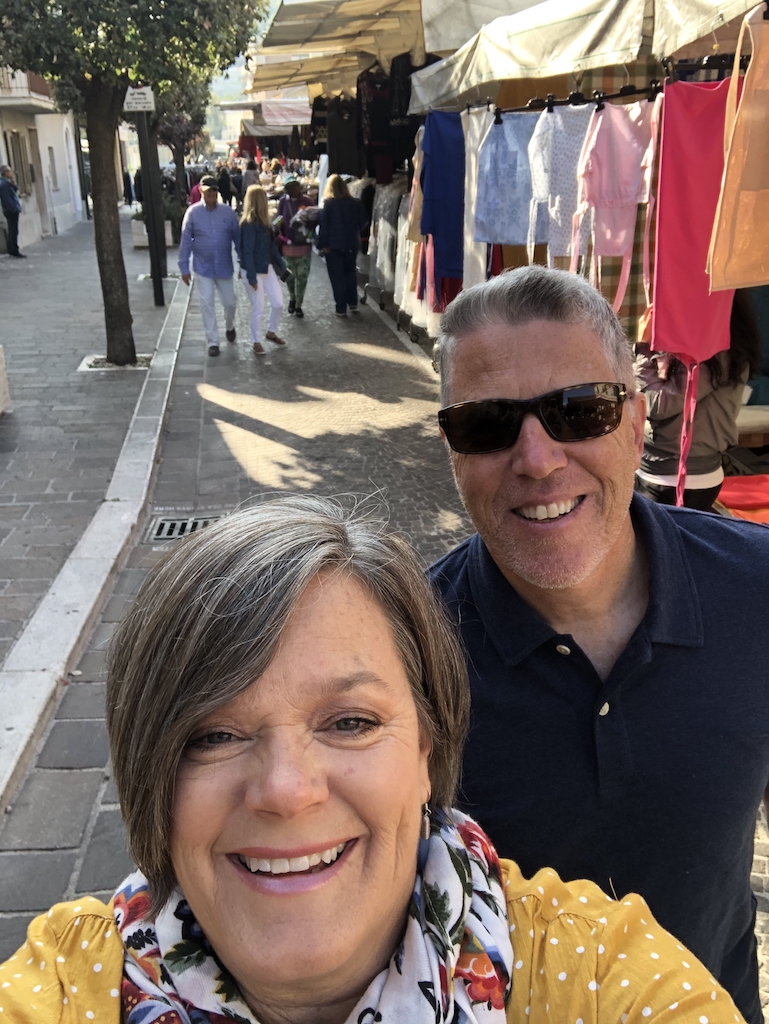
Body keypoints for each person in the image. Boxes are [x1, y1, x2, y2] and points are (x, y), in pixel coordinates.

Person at [0, 496, 747, 1024]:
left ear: (427, 748)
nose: (287, 790)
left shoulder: (602, 980)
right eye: (212, 735)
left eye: (350, 722)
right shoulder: (65, 992)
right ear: (148, 774)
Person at [429, 264, 769, 1024]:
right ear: (450, 447)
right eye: (486, 423)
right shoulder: (406, 650)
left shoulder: (756, 591)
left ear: (637, 417)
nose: (538, 458)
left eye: (578, 410)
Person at [634, 290, 762, 509]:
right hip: (674, 473)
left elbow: (656, 404)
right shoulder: (718, 342)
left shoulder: (713, 350)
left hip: (677, 479)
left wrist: (644, 347)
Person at [178, 175, 240, 357]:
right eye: (208, 191)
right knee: (206, 303)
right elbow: (186, 241)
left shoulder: (228, 213)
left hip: (224, 266)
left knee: (230, 302)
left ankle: (229, 326)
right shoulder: (193, 213)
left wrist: (242, 262)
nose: (212, 194)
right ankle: (213, 341)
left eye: (214, 190)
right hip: (202, 267)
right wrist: (183, 266)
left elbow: (238, 238)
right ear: (201, 192)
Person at [240, 184, 287, 355]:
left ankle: (271, 332)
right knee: (258, 307)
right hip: (253, 270)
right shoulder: (248, 224)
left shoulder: (265, 222)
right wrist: (252, 277)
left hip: (266, 268)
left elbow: (271, 247)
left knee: (278, 303)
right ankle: (256, 341)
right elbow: (247, 251)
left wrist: (281, 266)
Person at [317, 174, 368, 317]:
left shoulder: (327, 204)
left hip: (333, 245)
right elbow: (364, 221)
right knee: (350, 273)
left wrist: (323, 243)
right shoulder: (355, 203)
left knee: (337, 276)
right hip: (351, 242)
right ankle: (353, 303)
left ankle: (341, 307)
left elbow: (324, 225)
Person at [277, 174, 315, 318]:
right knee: (290, 277)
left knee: (302, 277)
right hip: (288, 246)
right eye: (290, 186)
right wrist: (278, 227)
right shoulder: (282, 202)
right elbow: (278, 219)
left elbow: (314, 220)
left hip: (304, 246)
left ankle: (299, 305)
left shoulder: (308, 201)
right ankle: (292, 298)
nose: (294, 188)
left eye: (295, 185)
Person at [0, 164, 24, 258]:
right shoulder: (3, 184)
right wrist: (14, 209)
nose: (11, 173)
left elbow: (15, 190)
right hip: (11, 210)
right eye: (10, 171)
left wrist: (14, 184)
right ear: (5, 173)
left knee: (13, 229)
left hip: (11, 208)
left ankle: (13, 249)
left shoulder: (7, 183)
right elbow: (7, 199)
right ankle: (13, 250)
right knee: (13, 230)